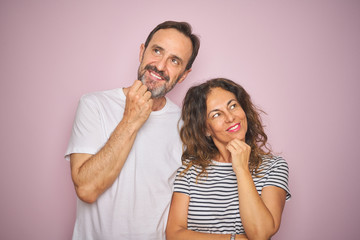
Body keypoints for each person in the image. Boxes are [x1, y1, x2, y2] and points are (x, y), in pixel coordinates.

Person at [65, 21, 200, 240]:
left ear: (184, 75)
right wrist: (131, 119)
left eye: (174, 61)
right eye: (157, 51)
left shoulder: (185, 126)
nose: (160, 66)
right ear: (142, 52)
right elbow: (87, 190)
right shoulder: (94, 105)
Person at [166, 78, 291, 240]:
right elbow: (174, 234)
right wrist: (234, 239)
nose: (230, 117)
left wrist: (241, 170)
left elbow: (260, 234)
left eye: (233, 106)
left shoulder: (274, 167)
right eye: (216, 114)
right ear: (205, 129)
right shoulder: (189, 170)